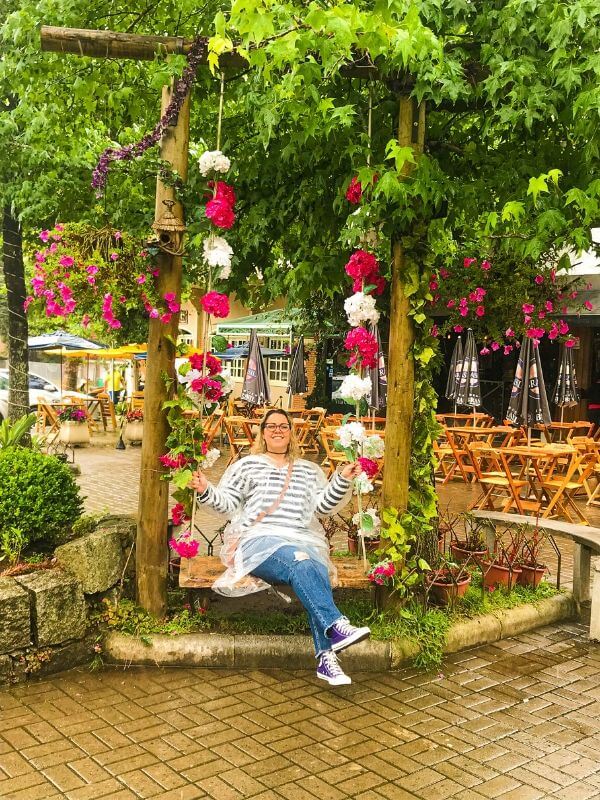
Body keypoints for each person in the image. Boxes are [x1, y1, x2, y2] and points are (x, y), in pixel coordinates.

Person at [190, 408, 371, 686]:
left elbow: (322, 507)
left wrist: (342, 478)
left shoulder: (307, 470)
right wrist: (205, 488)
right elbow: (226, 504)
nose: (277, 430)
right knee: (302, 562)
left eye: (283, 426)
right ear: (262, 432)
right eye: (271, 426)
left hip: (300, 539)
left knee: (310, 565)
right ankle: (334, 629)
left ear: (291, 433)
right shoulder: (246, 466)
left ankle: (326, 656)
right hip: (258, 540)